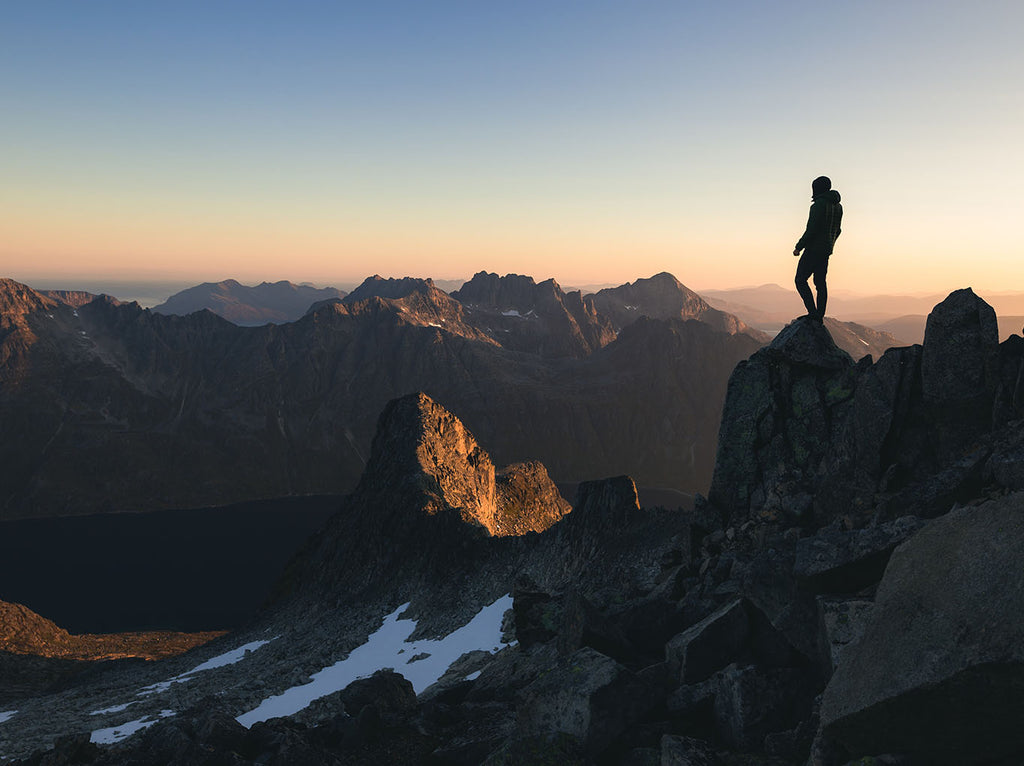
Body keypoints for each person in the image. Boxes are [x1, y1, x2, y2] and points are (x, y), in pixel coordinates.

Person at [793, 175, 843, 321]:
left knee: (800, 280)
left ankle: (813, 313)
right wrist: (830, 243)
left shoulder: (818, 205)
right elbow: (838, 230)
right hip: (826, 250)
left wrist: (799, 247)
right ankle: (819, 315)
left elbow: (812, 229)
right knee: (820, 283)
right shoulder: (838, 207)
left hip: (813, 249)